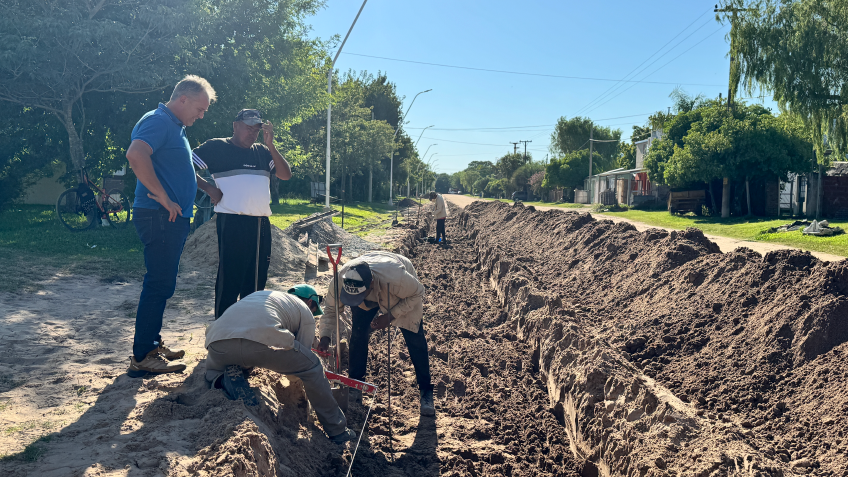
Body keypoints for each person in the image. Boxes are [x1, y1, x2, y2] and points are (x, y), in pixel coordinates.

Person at [125, 75, 220, 378]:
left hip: (168, 217)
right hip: (159, 215)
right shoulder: (159, 121)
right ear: (183, 99)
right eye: (200, 108)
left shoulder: (174, 126)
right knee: (159, 284)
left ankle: (151, 345)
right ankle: (143, 356)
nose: (201, 115)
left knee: (163, 283)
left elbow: (178, 167)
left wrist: (203, 186)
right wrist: (164, 197)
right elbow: (136, 155)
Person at [204, 286, 355, 444]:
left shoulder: (261, 296)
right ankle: (337, 430)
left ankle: (221, 379)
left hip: (217, 341)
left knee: (215, 369)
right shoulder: (305, 311)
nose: (313, 316)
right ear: (311, 302)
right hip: (260, 342)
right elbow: (301, 361)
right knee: (313, 367)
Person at [191, 109, 292, 318]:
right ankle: (223, 332)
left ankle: (249, 330)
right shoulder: (216, 147)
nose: (252, 134)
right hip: (232, 222)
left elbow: (285, 174)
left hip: (261, 224)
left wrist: (271, 145)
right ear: (235, 126)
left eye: (256, 130)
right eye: (248, 128)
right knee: (230, 279)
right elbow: (184, 166)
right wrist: (208, 188)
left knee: (256, 281)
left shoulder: (263, 152)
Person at [317, 251, 435, 417]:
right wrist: (325, 337)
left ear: (370, 285)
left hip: (398, 292)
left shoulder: (398, 278)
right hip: (367, 286)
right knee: (358, 331)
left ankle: (426, 392)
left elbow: (418, 292)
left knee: (414, 336)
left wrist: (390, 316)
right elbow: (330, 309)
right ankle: (356, 384)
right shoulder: (340, 281)